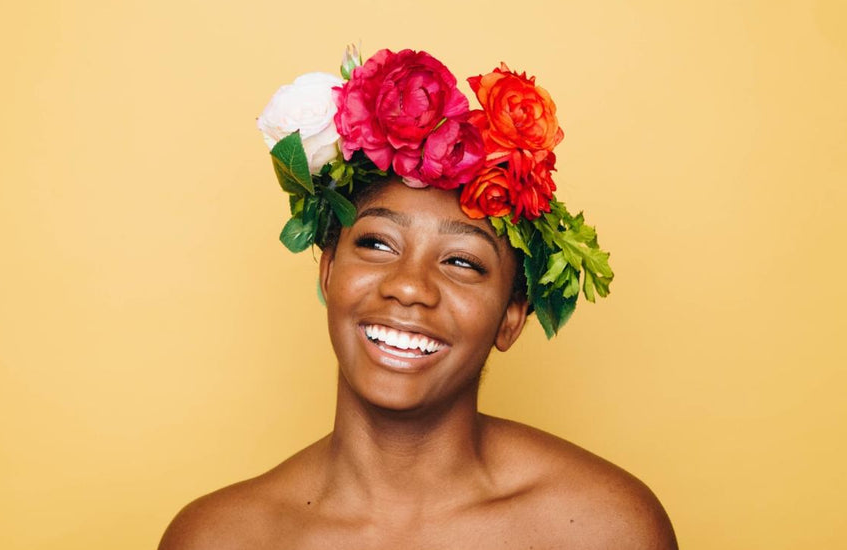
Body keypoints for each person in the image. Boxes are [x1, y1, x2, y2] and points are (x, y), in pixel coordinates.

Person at [159, 46, 677, 549]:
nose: (409, 285)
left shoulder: (603, 529)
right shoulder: (216, 537)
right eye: (377, 243)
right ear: (329, 270)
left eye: (461, 262)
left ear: (511, 318)